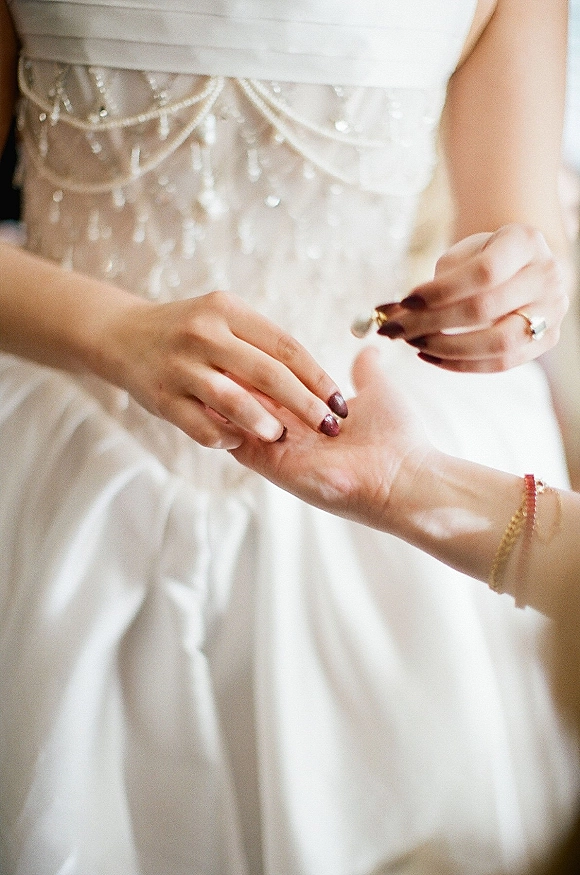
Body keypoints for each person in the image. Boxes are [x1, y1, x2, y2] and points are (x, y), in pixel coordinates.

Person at [0, 1, 577, 873]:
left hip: (381, 469)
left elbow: (525, 254)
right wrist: (115, 334)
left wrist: (520, 303)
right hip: (61, 451)